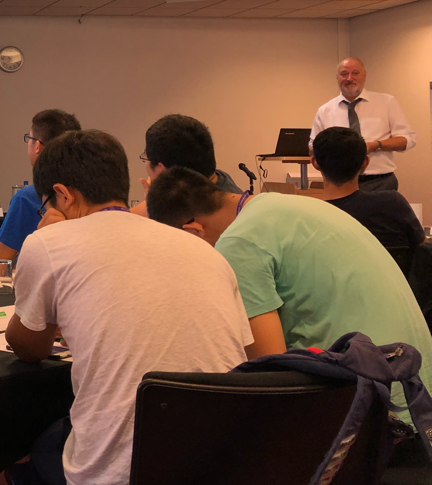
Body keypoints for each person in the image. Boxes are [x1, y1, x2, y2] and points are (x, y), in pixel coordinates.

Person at [5, 130, 252, 485]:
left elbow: (28, 347)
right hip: (227, 483)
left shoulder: (48, 242)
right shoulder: (204, 249)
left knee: (40, 443)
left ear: (63, 195)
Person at [145, 168, 432, 395]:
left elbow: (270, 375)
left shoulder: (238, 244)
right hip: (416, 382)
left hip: (381, 406)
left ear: (193, 231)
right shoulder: (284, 204)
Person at [0, 109, 80, 268]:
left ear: (37, 145)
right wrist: (8, 241)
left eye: (29, 138)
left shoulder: (27, 197)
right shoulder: (87, 193)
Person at [312, 127, 425, 253]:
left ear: (315, 163)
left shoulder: (310, 216)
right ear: (365, 162)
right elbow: (423, 248)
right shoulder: (392, 203)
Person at [310, 57, 415, 192]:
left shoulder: (386, 102)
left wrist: (376, 145)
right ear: (337, 77)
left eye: (355, 73)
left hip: (379, 182)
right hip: (340, 184)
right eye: (344, 74)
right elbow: (312, 146)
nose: (349, 78)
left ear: (364, 76)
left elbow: (407, 140)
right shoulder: (325, 110)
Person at [130, 114, 242, 216]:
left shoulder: (197, 218)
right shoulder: (216, 181)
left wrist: (154, 208)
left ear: (162, 171)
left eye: (146, 158)